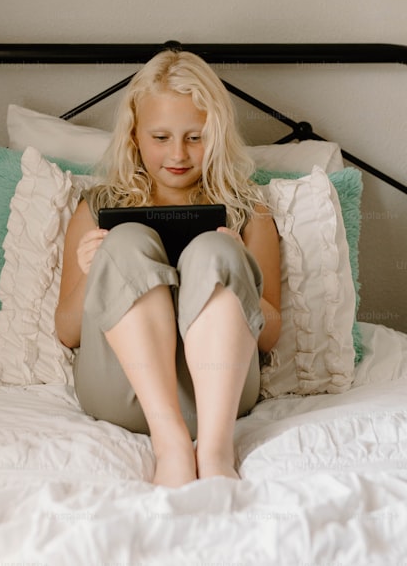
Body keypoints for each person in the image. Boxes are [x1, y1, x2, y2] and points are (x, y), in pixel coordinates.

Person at [54, 49, 281, 487]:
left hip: (219, 396)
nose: (177, 154)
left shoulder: (250, 210)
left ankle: (215, 451)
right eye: (161, 137)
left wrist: (244, 270)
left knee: (216, 250)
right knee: (126, 241)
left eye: (194, 137)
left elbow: (270, 334)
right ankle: (171, 444)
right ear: (135, 136)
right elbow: (66, 331)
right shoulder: (98, 206)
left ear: (215, 135)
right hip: (122, 391)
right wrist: (94, 271)